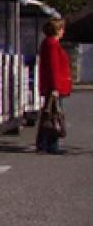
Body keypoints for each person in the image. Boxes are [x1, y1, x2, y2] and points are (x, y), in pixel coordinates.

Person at [36, 18, 71, 154]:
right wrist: (55, 87)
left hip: (54, 85)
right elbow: (53, 68)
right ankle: (48, 144)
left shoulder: (51, 44)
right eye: (61, 29)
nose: (63, 32)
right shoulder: (52, 45)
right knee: (52, 115)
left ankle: (48, 144)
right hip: (54, 86)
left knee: (51, 114)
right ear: (57, 30)